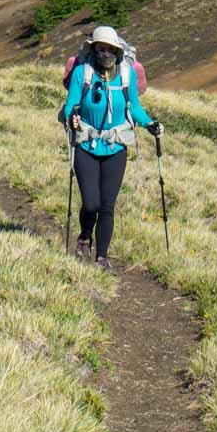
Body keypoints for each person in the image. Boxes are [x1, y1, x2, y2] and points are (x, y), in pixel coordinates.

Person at [63, 25, 161, 271]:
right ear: (94, 50)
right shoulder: (82, 74)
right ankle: (85, 237)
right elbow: (70, 104)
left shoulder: (126, 76)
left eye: (109, 49)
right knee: (91, 204)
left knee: (107, 205)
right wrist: (72, 117)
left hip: (116, 146)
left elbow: (135, 108)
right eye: (100, 49)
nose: (105, 53)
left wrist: (149, 123)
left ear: (117, 51)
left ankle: (102, 257)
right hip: (85, 143)